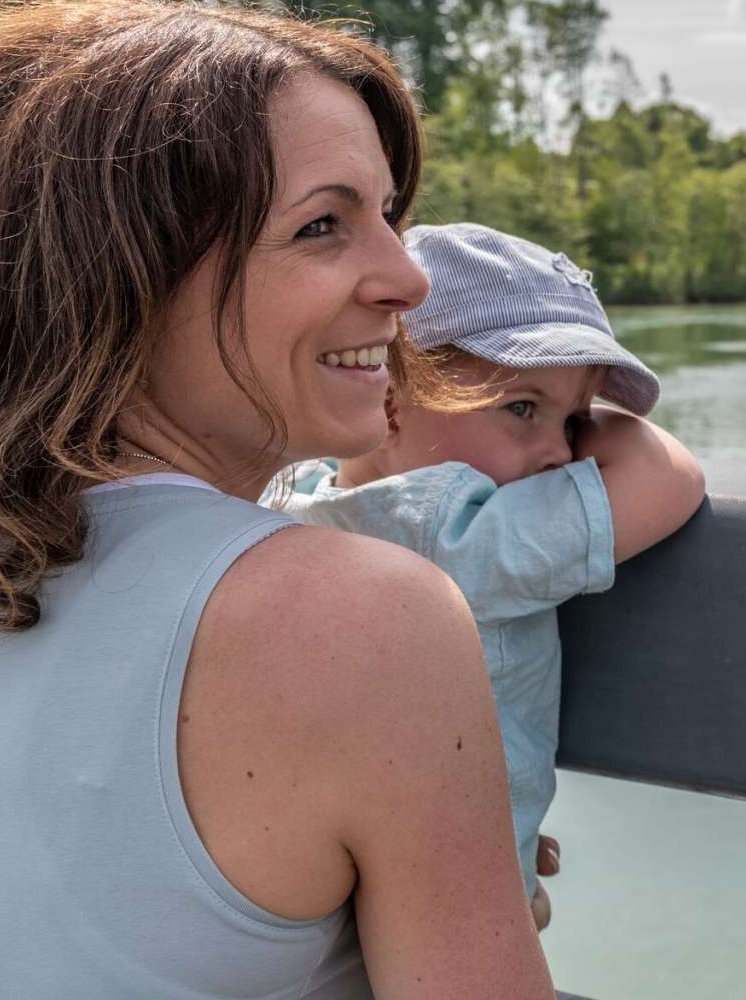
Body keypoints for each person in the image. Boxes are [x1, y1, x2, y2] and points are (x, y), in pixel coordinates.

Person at [0, 0, 554, 999]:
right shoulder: (363, 617)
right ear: (118, 274)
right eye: (323, 226)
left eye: (390, 217)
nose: (406, 279)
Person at [280, 223, 706, 933]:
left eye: (573, 421)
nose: (560, 454)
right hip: (448, 911)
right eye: (521, 408)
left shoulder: (297, 503)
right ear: (389, 403)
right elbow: (671, 475)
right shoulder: (459, 534)